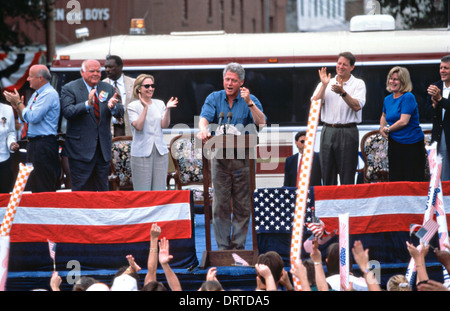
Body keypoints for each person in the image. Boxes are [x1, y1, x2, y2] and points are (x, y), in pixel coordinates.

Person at [198, 62, 266, 250]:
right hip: (219, 157)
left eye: (233, 81)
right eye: (227, 79)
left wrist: (250, 103)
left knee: (242, 205)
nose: (229, 83)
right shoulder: (214, 97)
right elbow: (204, 118)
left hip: (243, 158)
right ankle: (222, 248)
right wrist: (203, 129)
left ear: (241, 82)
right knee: (219, 204)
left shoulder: (250, 99)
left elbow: (262, 123)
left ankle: (238, 247)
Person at [60, 59, 123, 191]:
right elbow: (67, 112)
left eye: (98, 71)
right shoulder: (70, 88)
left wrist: (113, 108)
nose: (96, 74)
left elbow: (120, 111)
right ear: (82, 72)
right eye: (92, 71)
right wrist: (87, 104)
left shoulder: (108, 88)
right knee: (82, 193)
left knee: (102, 192)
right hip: (80, 152)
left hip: (102, 151)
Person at [312, 52, 366, 186]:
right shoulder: (326, 82)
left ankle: (347, 205)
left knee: (347, 174)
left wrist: (343, 93)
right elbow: (314, 104)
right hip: (328, 130)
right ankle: (330, 206)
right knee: (327, 173)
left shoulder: (358, 84)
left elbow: (357, 106)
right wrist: (324, 85)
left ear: (352, 67)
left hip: (348, 131)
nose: (341, 67)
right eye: (339, 63)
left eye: (345, 65)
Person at [3, 65, 60, 193]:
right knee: (33, 183)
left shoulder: (48, 94)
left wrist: (19, 103)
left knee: (43, 184)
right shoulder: (37, 95)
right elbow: (25, 119)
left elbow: (33, 117)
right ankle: (37, 210)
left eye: (30, 76)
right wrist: (17, 106)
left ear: (40, 78)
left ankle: (46, 210)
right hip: (34, 144)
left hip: (43, 144)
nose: (27, 79)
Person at [127, 74, 178, 191]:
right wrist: (145, 108)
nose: (151, 88)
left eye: (152, 85)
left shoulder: (159, 103)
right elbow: (138, 126)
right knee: (142, 191)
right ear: (139, 88)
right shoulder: (132, 106)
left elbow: (164, 125)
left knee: (159, 190)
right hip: (141, 152)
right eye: (147, 86)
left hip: (160, 151)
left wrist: (168, 109)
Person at [380, 66, 426, 182]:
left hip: (412, 145)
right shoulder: (387, 99)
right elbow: (384, 116)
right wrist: (381, 128)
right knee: (396, 180)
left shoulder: (408, 97)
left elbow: (403, 121)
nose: (392, 82)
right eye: (391, 78)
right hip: (395, 143)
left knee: (412, 180)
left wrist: (388, 129)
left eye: (396, 79)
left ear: (403, 81)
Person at [427, 55, 450, 181]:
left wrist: (440, 100)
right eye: (441, 67)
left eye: (446, 68)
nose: (442, 70)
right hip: (438, 136)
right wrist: (434, 104)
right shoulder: (435, 86)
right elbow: (426, 112)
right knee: (438, 175)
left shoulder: (437, 92)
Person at [103, 55, 136, 137]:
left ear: (120, 67)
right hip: (110, 131)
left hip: (131, 130)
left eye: (110, 67)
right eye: (106, 67)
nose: (107, 70)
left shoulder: (134, 83)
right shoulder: (101, 85)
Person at [0, 101, 19, 193]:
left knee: (4, 196)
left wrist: (12, 143)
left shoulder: (7, 109)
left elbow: (11, 132)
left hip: (4, 159)